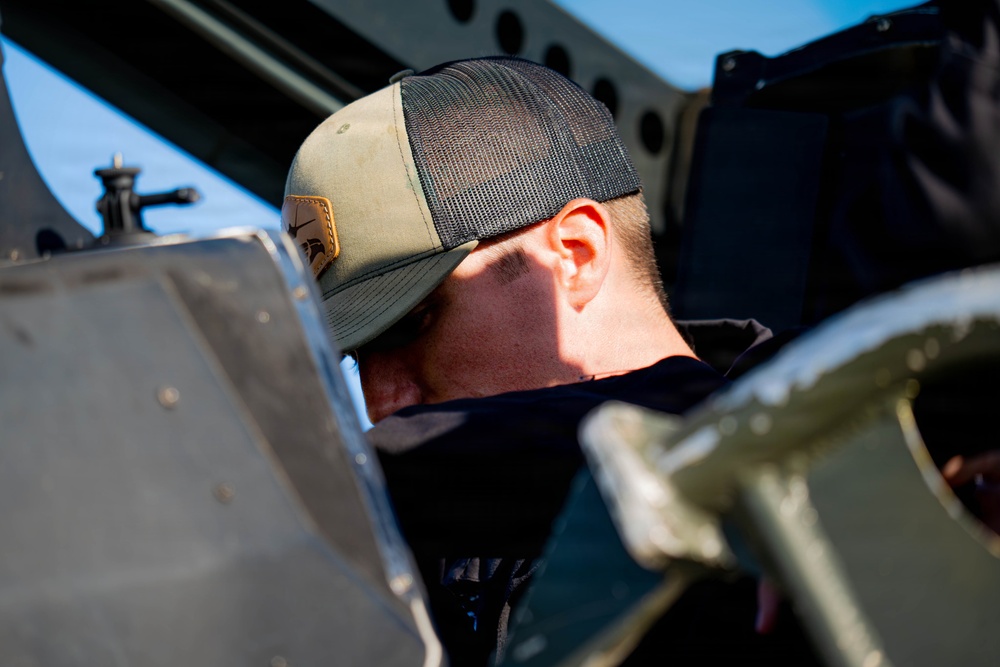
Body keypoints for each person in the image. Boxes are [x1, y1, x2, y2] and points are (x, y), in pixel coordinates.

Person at [280, 56, 819, 665]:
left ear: (577, 254)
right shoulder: (423, 564)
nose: (383, 402)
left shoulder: (838, 440)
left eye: (414, 323)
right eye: (358, 358)